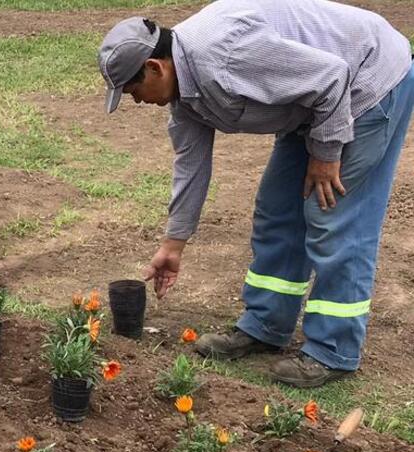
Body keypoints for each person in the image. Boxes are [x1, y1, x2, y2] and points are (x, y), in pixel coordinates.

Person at [98, 0, 413, 387]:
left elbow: (333, 76)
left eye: (132, 90)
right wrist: (173, 244)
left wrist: (327, 153)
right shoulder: (185, 94)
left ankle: (334, 350)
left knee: (333, 215)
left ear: (154, 67)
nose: (136, 101)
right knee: (277, 210)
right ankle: (265, 325)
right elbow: (190, 166)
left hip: (367, 81)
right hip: (313, 104)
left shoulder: (224, 57)